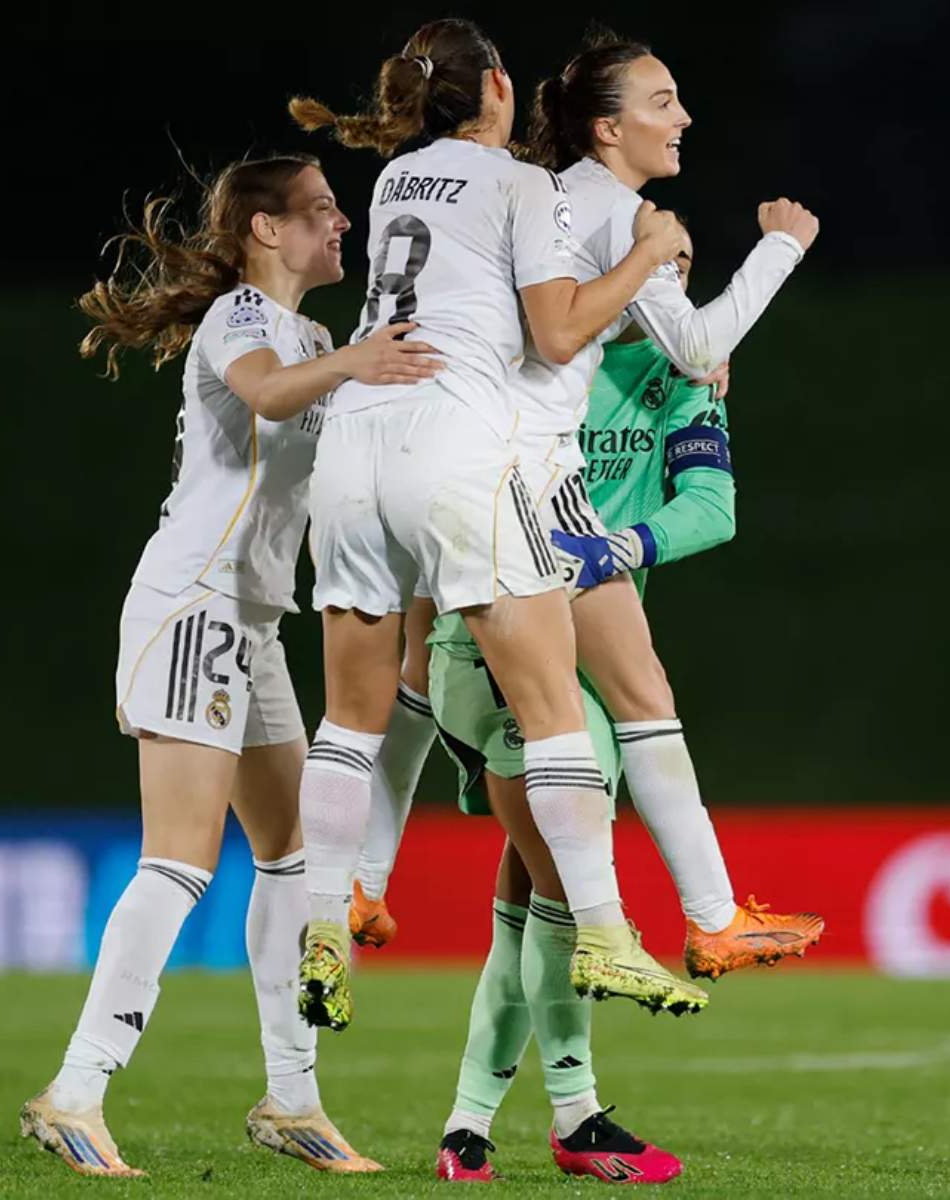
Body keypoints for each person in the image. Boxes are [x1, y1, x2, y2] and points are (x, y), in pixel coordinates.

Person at [346, 31, 825, 984]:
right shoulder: (607, 212)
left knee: (411, 666)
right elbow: (690, 348)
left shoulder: (505, 187)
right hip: (527, 481)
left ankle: (359, 882)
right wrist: (781, 249)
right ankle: (704, 919)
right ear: (608, 129)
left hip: (426, 444)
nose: (683, 116)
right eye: (662, 100)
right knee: (635, 700)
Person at [19, 154, 441, 1178]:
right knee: (179, 858)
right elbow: (263, 397)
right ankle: (75, 1089)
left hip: (249, 619)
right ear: (264, 230)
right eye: (321, 211)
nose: (342, 223)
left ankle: (290, 1099)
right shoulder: (244, 323)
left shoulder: (311, 337)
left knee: (294, 853)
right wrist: (352, 368)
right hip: (193, 605)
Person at [285, 17, 707, 1031]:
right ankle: (605, 933)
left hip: (352, 447)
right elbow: (556, 329)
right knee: (553, 704)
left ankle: (322, 928)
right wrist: (647, 250)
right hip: (455, 446)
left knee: (350, 714)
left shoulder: (392, 183)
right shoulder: (520, 185)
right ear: (502, 90)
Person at [430, 236, 745, 1183]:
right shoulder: (534, 363)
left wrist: (617, 547)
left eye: (686, 267)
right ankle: (574, 1115)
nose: (673, 284)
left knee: (533, 901)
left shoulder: (687, 384)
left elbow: (715, 509)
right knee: (566, 895)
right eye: (655, 262)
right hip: (499, 648)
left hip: (588, 665)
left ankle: (469, 1126)